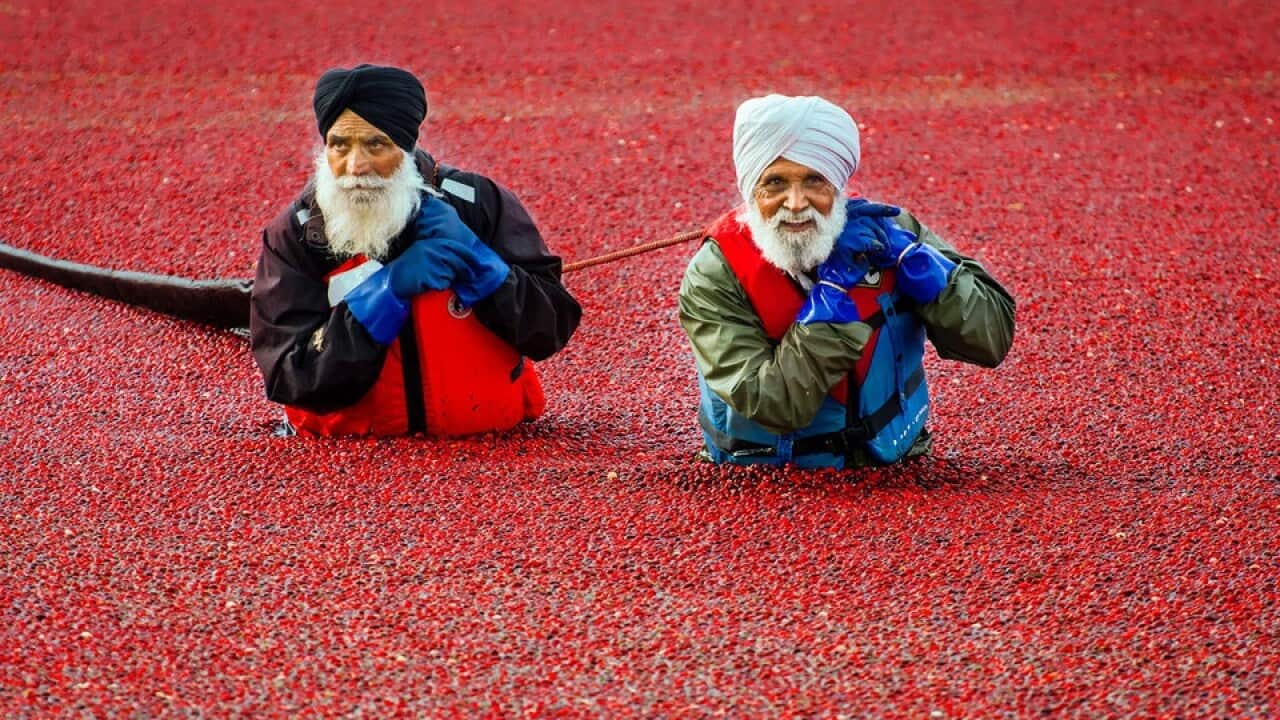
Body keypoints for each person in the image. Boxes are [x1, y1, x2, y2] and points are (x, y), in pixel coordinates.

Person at [678, 94, 1015, 469]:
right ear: (751, 191)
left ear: (837, 187)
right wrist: (834, 299)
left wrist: (925, 268)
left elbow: (992, 340)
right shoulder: (713, 275)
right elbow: (769, 402)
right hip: (773, 481)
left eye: (814, 181)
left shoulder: (888, 231)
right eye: (774, 183)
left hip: (901, 470)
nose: (794, 202)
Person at [250, 64, 582, 437]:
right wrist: (383, 294)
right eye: (339, 145)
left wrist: (483, 267)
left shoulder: (479, 204)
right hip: (356, 461)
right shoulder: (296, 233)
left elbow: (551, 329)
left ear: (406, 147)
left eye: (376, 144)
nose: (355, 166)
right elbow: (288, 377)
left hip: (495, 449)